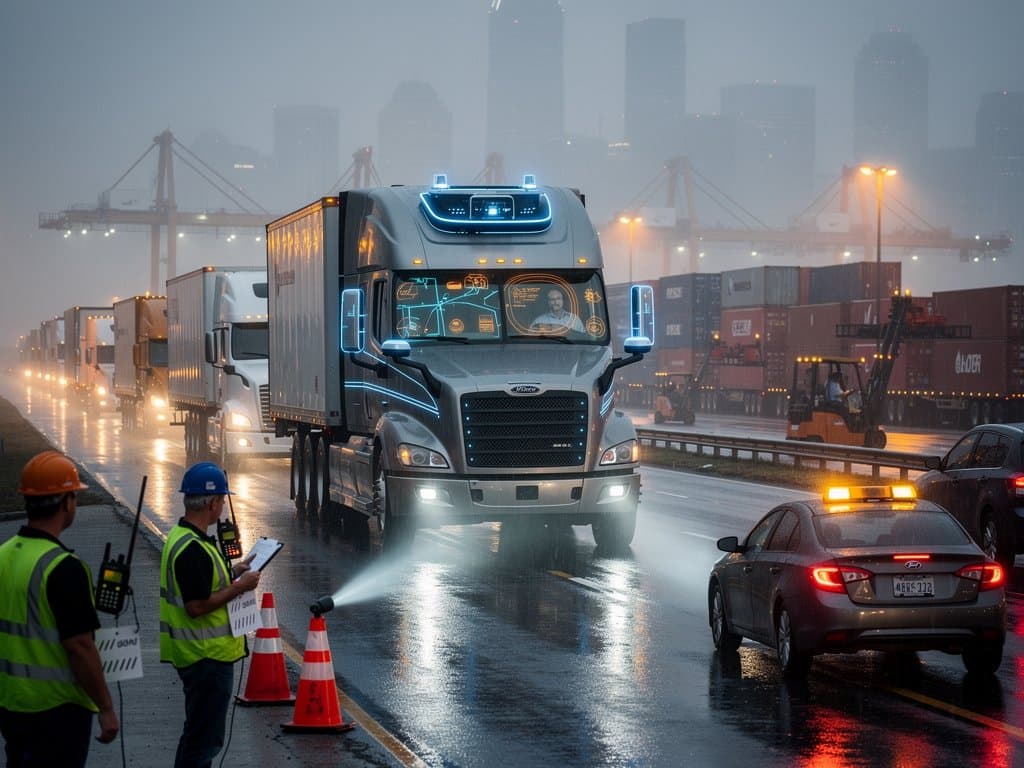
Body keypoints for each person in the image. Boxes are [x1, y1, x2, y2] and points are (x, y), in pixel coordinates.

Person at [0, 450, 120, 767]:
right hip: (57, 709)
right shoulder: (63, 567)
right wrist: (105, 707)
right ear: (67, 502)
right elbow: (80, 647)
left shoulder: (3, 555)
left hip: (11, 704)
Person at [160, 461, 260, 768]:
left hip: (199, 657)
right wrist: (240, 587)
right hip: (206, 659)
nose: (222, 510)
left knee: (197, 736)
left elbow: (205, 580)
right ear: (212, 503)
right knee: (203, 742)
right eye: (221, 501)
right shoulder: (191, 548)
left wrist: (234, 570)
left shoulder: (186, 536)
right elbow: (197, 606)